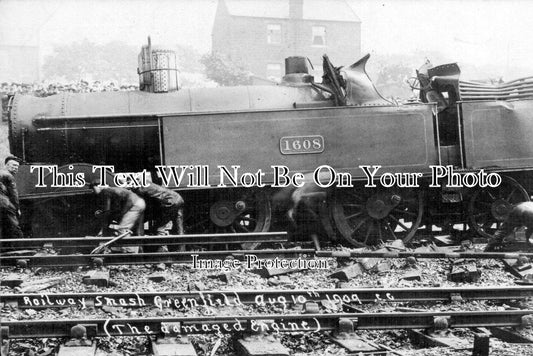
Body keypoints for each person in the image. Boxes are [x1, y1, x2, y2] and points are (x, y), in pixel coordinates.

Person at [0, 156, 23, 238]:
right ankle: (22, 246)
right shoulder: (8, 176)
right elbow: (14, 194)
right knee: (14, 225)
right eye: (13, 165)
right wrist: (17, 208)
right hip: (4, 203)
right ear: (6, 165)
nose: (16, 168)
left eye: (17, 166)